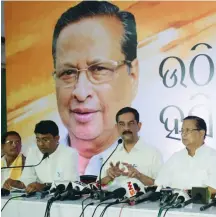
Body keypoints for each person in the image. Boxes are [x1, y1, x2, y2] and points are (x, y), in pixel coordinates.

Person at [52, 1, 139, 174]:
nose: (81, 92)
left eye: (99, 69)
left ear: (133, 75)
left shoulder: (147, 159)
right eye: (68, 72)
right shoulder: (44, 158)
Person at [155, 116, 216, 197]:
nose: (183, 134)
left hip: (205, 208)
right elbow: (159, 184)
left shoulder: (215, 158)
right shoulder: (175, 157)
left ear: (201, 133)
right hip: (173, 207)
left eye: (188, 130)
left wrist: (186, 194)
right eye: (182, 130)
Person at [97, 107, 163, 190]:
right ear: (117, 127)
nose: (126, 128)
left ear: (139, 126)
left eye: (131, 123)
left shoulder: (153, 153)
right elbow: (98, 185)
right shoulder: (109, 154)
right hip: (112, 202)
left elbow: (161, 186)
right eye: (122, 124)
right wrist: (109, 177)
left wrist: (139, 176)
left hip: (143, 202)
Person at [6, 120, 79, 193]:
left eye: (45, 140)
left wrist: (44, 186)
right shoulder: (33, 152)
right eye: (38, 140)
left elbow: (71, 184)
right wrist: (17, 184)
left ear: (57, 138)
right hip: (39, 199)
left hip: (62, 199)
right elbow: (27, 178)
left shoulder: (69, 153)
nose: (41, 144)